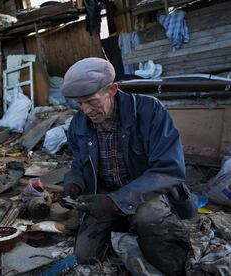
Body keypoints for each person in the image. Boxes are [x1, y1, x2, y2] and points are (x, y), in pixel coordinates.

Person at [58, 58, 197, 274]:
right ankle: (125, 226)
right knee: (84, 255)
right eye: (79, 103)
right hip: (106, 195)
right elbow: (78, 164)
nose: (85, 110)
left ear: (112, 90)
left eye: (91, 101)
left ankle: (174, 267)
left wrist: (117, 202)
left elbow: (170, 169)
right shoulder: (78, 124)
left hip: (146, 192)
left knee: (149, 221)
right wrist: (73, 183)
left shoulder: (149, 111)